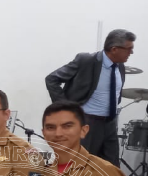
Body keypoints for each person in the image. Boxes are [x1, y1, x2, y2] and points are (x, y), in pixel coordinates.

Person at [45, 29, 136, 167]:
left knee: (111, 169)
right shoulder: (86, 61)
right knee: (79, 168)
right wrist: (66, 109)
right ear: (114, 49)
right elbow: (52, 79)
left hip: (109, 124)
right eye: (129, 49)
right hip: (86, 122)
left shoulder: (120, 67)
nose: (131, 53)